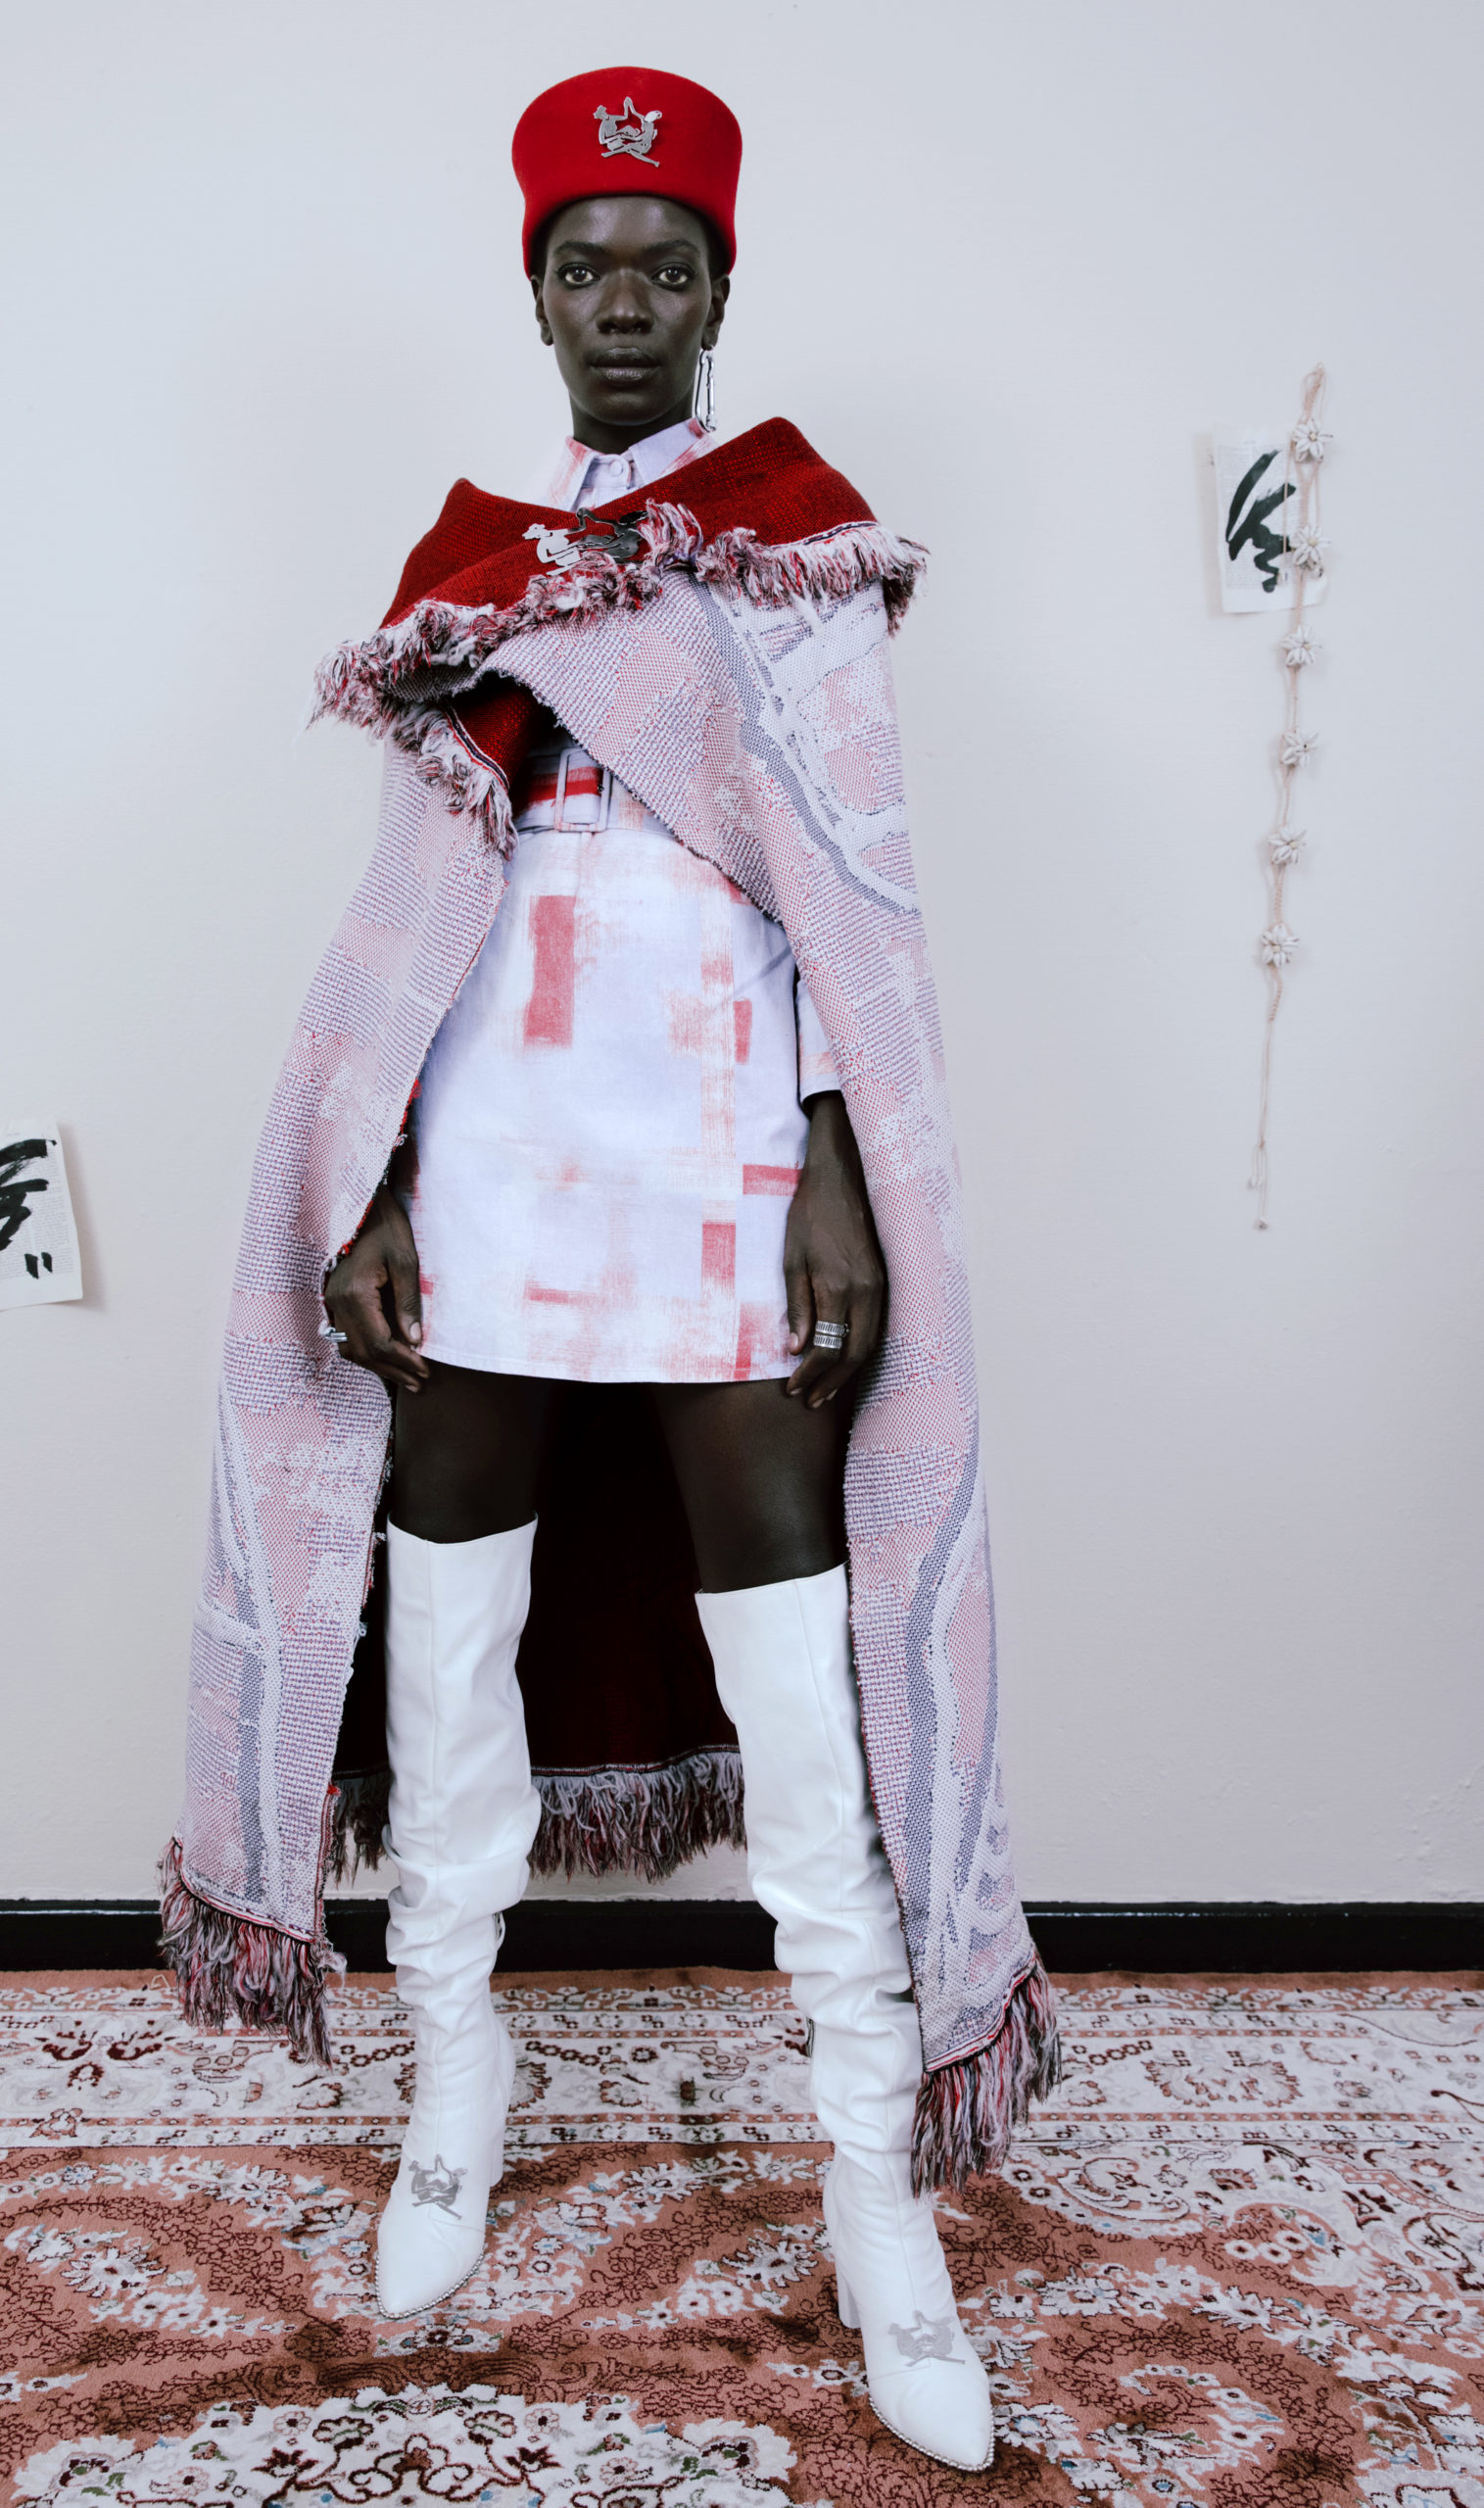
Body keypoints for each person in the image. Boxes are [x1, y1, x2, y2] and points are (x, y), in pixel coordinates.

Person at [164, 67, 1058, 2477]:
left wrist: (833, 1166)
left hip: (720, 1170)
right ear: (537, 292)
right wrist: (368, 1182)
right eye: (588, 265)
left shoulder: (793, 552)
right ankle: (450, 2076)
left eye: (666, 265)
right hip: (483, 1167)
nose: (626, 301)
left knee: (804, 1699)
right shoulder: (470, 564)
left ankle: (872, 2182)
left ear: (721, 287)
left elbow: (849, 907)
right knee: (444, 1647)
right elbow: (410, 919)